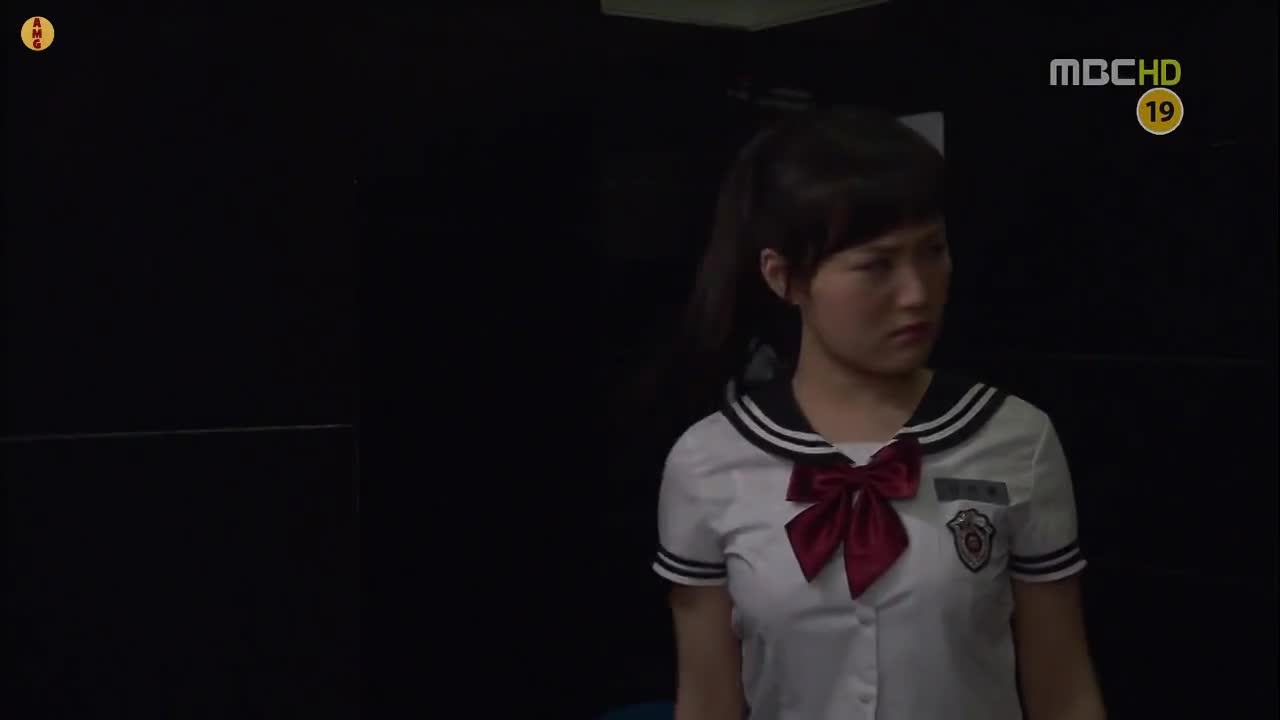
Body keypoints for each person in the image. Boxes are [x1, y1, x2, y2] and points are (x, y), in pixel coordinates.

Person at [650, 109, 1106, 720]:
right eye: (876, 265)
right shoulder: (708, 462)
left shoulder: (1016, 439)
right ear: (783, 277)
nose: (917, 293)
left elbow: (1064, 691)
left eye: (932, 251)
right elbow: (707, 701)